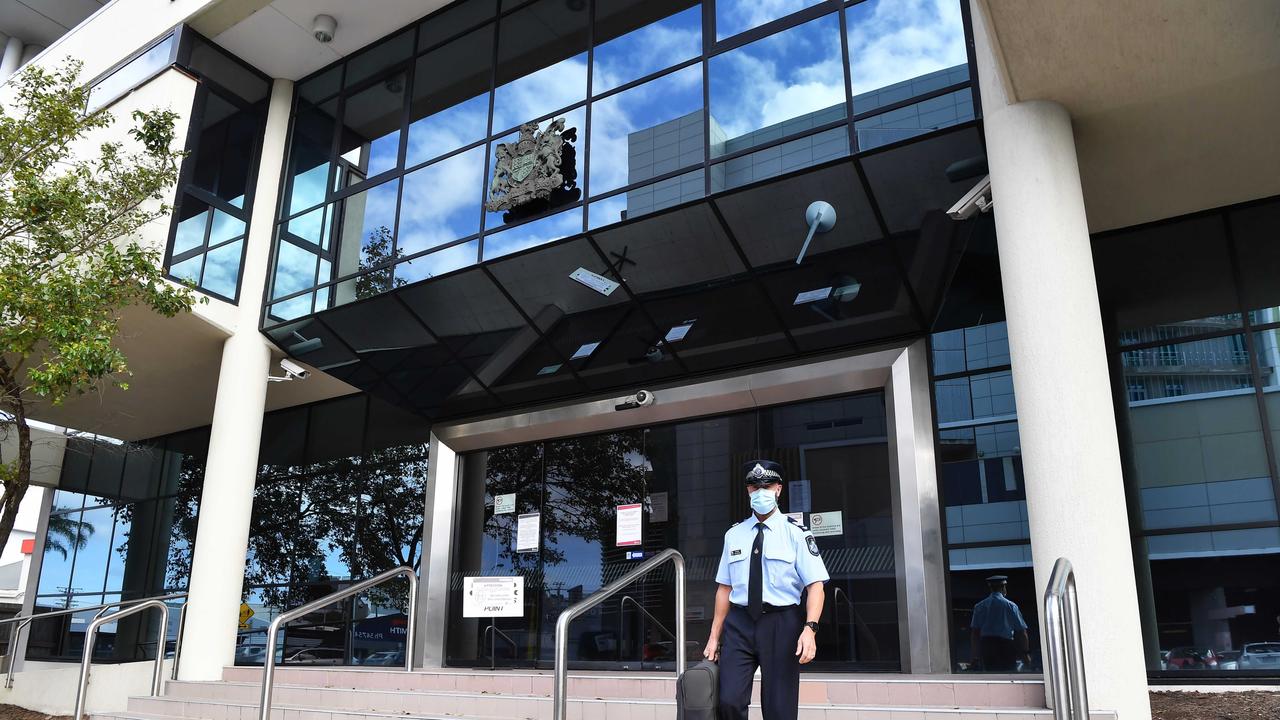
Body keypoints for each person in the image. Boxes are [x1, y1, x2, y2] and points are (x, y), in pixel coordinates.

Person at [703, 460, 830, 720]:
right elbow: (724, 588)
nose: (760, 492)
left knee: (779, 708)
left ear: (779, 489)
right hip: (739, 623)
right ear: (748, 491)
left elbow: (815, 586)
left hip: (781, 623)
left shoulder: (796, 533)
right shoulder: (734, 535)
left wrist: (810, 628)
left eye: (767, 486)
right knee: (728, 700)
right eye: (754, 486)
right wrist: (714, 637)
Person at [969, 575, 1032, 672]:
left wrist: (975, 657)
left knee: (991, 676)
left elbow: (975, 633)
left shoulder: (979, 606)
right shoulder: (1011, 606)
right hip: (1006, 647)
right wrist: (1025, 654)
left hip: (987, 647)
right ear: (1003, 587)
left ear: (990, 588)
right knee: (1008, 675)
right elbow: (1021, 632)